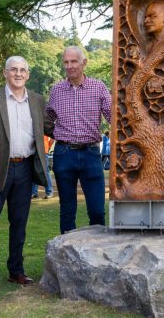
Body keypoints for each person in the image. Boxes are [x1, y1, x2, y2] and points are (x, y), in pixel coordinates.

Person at [0, 56, 53, 293]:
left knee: (19, 223)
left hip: (25, 168)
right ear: (5, 73)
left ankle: (16, 270)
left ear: (28, 74)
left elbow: (51, 127)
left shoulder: (38, 101)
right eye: (13, 70)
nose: (18, 74)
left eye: (22, 70)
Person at [46, 46, 111, 234]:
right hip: (63, 153)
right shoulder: (57, 90)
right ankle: (67, 256)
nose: (69, 66)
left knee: (97, 210)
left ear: (84, 63)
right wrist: (58, 134)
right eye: (66, 62)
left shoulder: (98, 87)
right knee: (67, 209)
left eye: (73, 61)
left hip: (90, 152)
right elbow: (48, 118)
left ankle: (97, 253)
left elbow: (112, 116)